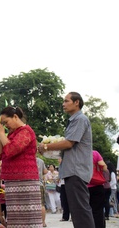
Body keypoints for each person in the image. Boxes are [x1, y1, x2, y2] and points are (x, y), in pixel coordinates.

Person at [38, 92, 95, 228]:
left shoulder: (80, 119)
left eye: (66, 101)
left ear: (77, 102)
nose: (63, 104)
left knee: (80, 211)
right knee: (77, 211)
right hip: (72, 171)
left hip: (76, 170)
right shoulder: (75, 120)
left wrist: (46, 146)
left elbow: (69, 143)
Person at [0, 106, 41, 228]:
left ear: (15, 117)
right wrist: (1, 136)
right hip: (11, 181)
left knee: (29, 219)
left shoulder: (26, 131)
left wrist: (1, 133)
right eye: (3, 124)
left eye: (6, 122)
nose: (5, 126)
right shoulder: (10, 134)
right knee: (15, 219)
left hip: (26, 180)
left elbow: (10, 150)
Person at [87, 150, 107, 228]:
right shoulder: (95, 153)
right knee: (98, 211)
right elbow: (104, 167)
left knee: (87, 211)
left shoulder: (79, 154)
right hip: (97, 186)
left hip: (84, 186)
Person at [36, 157, 48, 227]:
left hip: (31, 183)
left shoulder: (27, 159)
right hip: (40, 183)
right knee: (42, 204)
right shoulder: (41, 160)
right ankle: (43, 222)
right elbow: (45, 171)